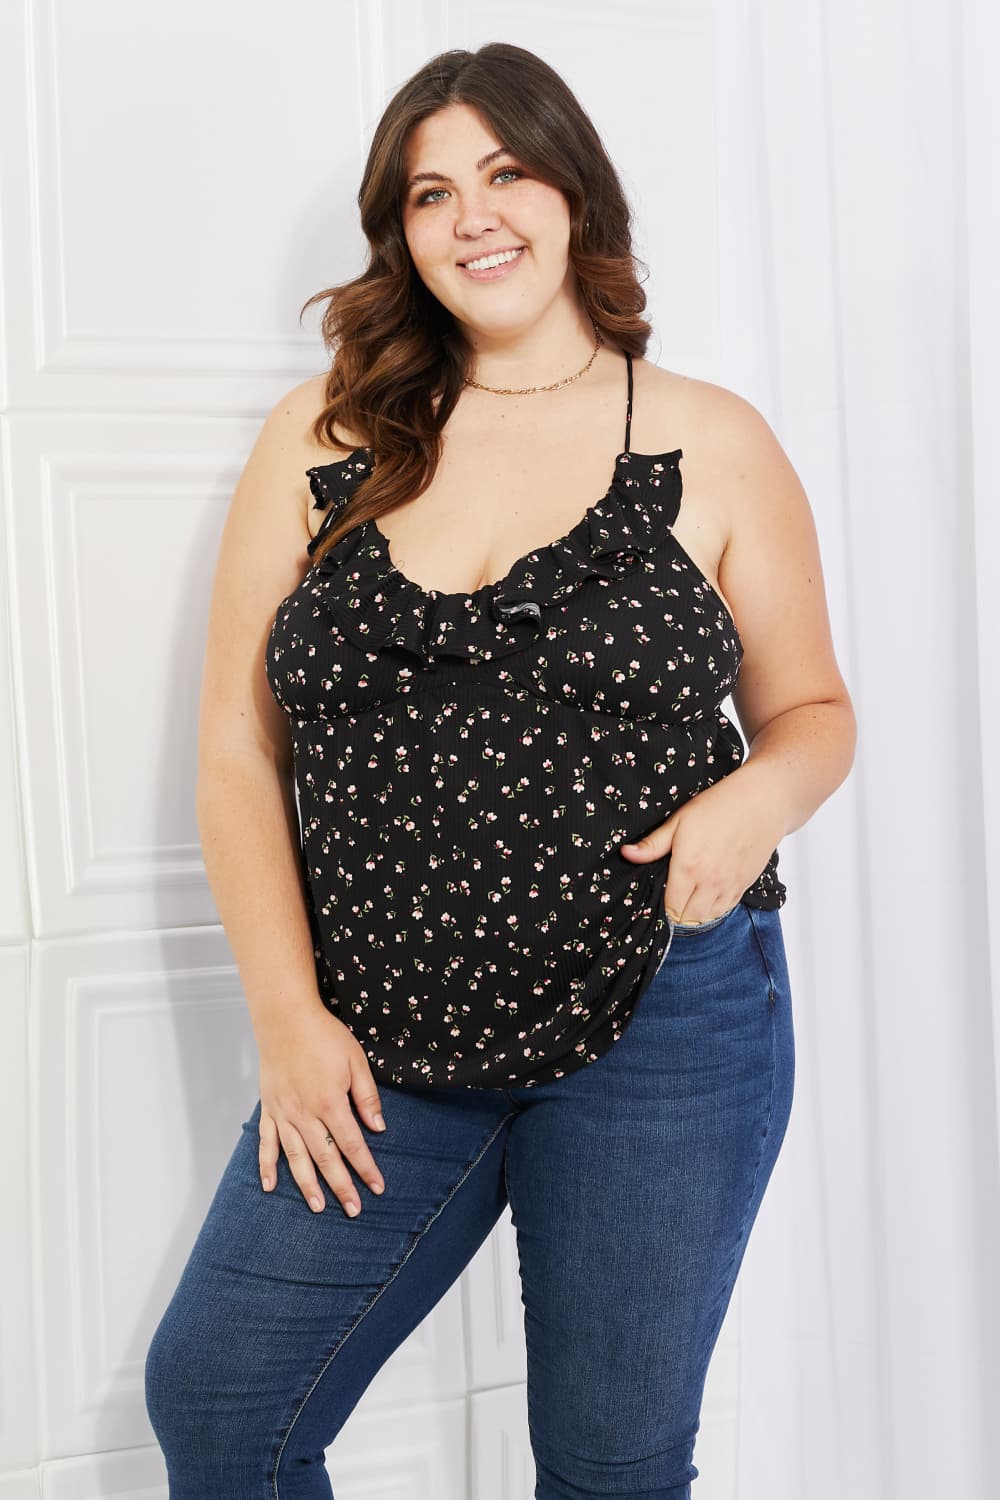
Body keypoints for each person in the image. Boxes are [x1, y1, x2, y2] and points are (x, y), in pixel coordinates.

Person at [144, 40, 856, 1500]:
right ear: (400, 232)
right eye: (431, 193)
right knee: (220, 1403)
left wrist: (757, 798)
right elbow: (235, 744)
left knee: (607, 1466)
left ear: (573, 190)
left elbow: (814, 711)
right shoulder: (324, 437)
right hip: (378, 1035)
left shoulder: (711, 440)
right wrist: (286, 1017)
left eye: (507, 173)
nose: (474, 216)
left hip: (662, 1020)